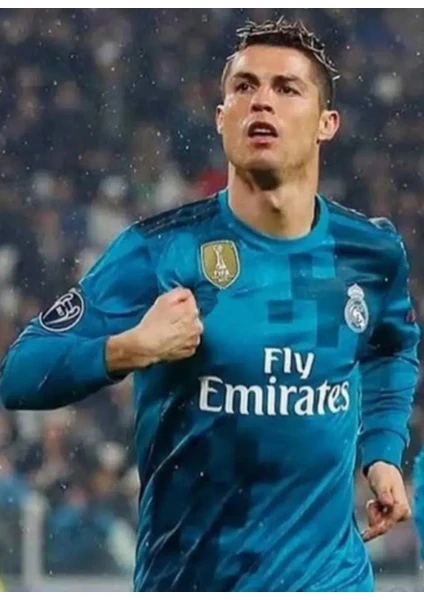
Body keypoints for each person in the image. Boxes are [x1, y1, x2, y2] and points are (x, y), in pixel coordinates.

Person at [0, 16, 420, 592]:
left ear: (327, 124)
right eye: (245, 87)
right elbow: (18, 373)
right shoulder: (160, 251)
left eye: (286, 88)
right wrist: (129, 349)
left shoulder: (370, 253)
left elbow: (391, 351)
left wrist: (382, 451)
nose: (261, 101)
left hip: (331, 580)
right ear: (222, 118)